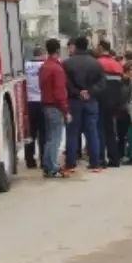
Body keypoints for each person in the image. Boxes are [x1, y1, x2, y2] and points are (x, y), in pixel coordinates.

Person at [63, 36, 106, 173]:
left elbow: (65, 83)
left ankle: (71, 164)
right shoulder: (96, 63)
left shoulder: (67, 63)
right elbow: (102, 83)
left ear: (75, 46)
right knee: (92, 132)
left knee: (72, 132)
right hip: (91, 101)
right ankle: (95, 164)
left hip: (74, 101)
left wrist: (77, 92)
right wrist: (90, 92)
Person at [37, 38, 69, 178]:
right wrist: (66, 110)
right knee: (55, 138)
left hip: (46, 104)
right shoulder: (57, 68)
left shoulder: (44, 66)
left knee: (50, 137)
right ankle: (53, 167)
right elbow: (60, 91)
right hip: (55, 107)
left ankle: (47, 165)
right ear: (58, 50)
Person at [95, 41, 127, 168]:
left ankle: (101, 159)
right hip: (115, 103)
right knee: (111, 131)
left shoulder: (98, 63)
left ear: (101, 48)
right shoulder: (117, 65)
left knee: (100, 130)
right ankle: (114, 158)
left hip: (101, 101)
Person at [24, 46, 46, 169]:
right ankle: (43, 159)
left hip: (29, 102)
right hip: (42, 102)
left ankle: (30, 160)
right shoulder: (45, 65)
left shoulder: (26, 66)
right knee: (43, 133)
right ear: (43, 54)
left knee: (30, 133)